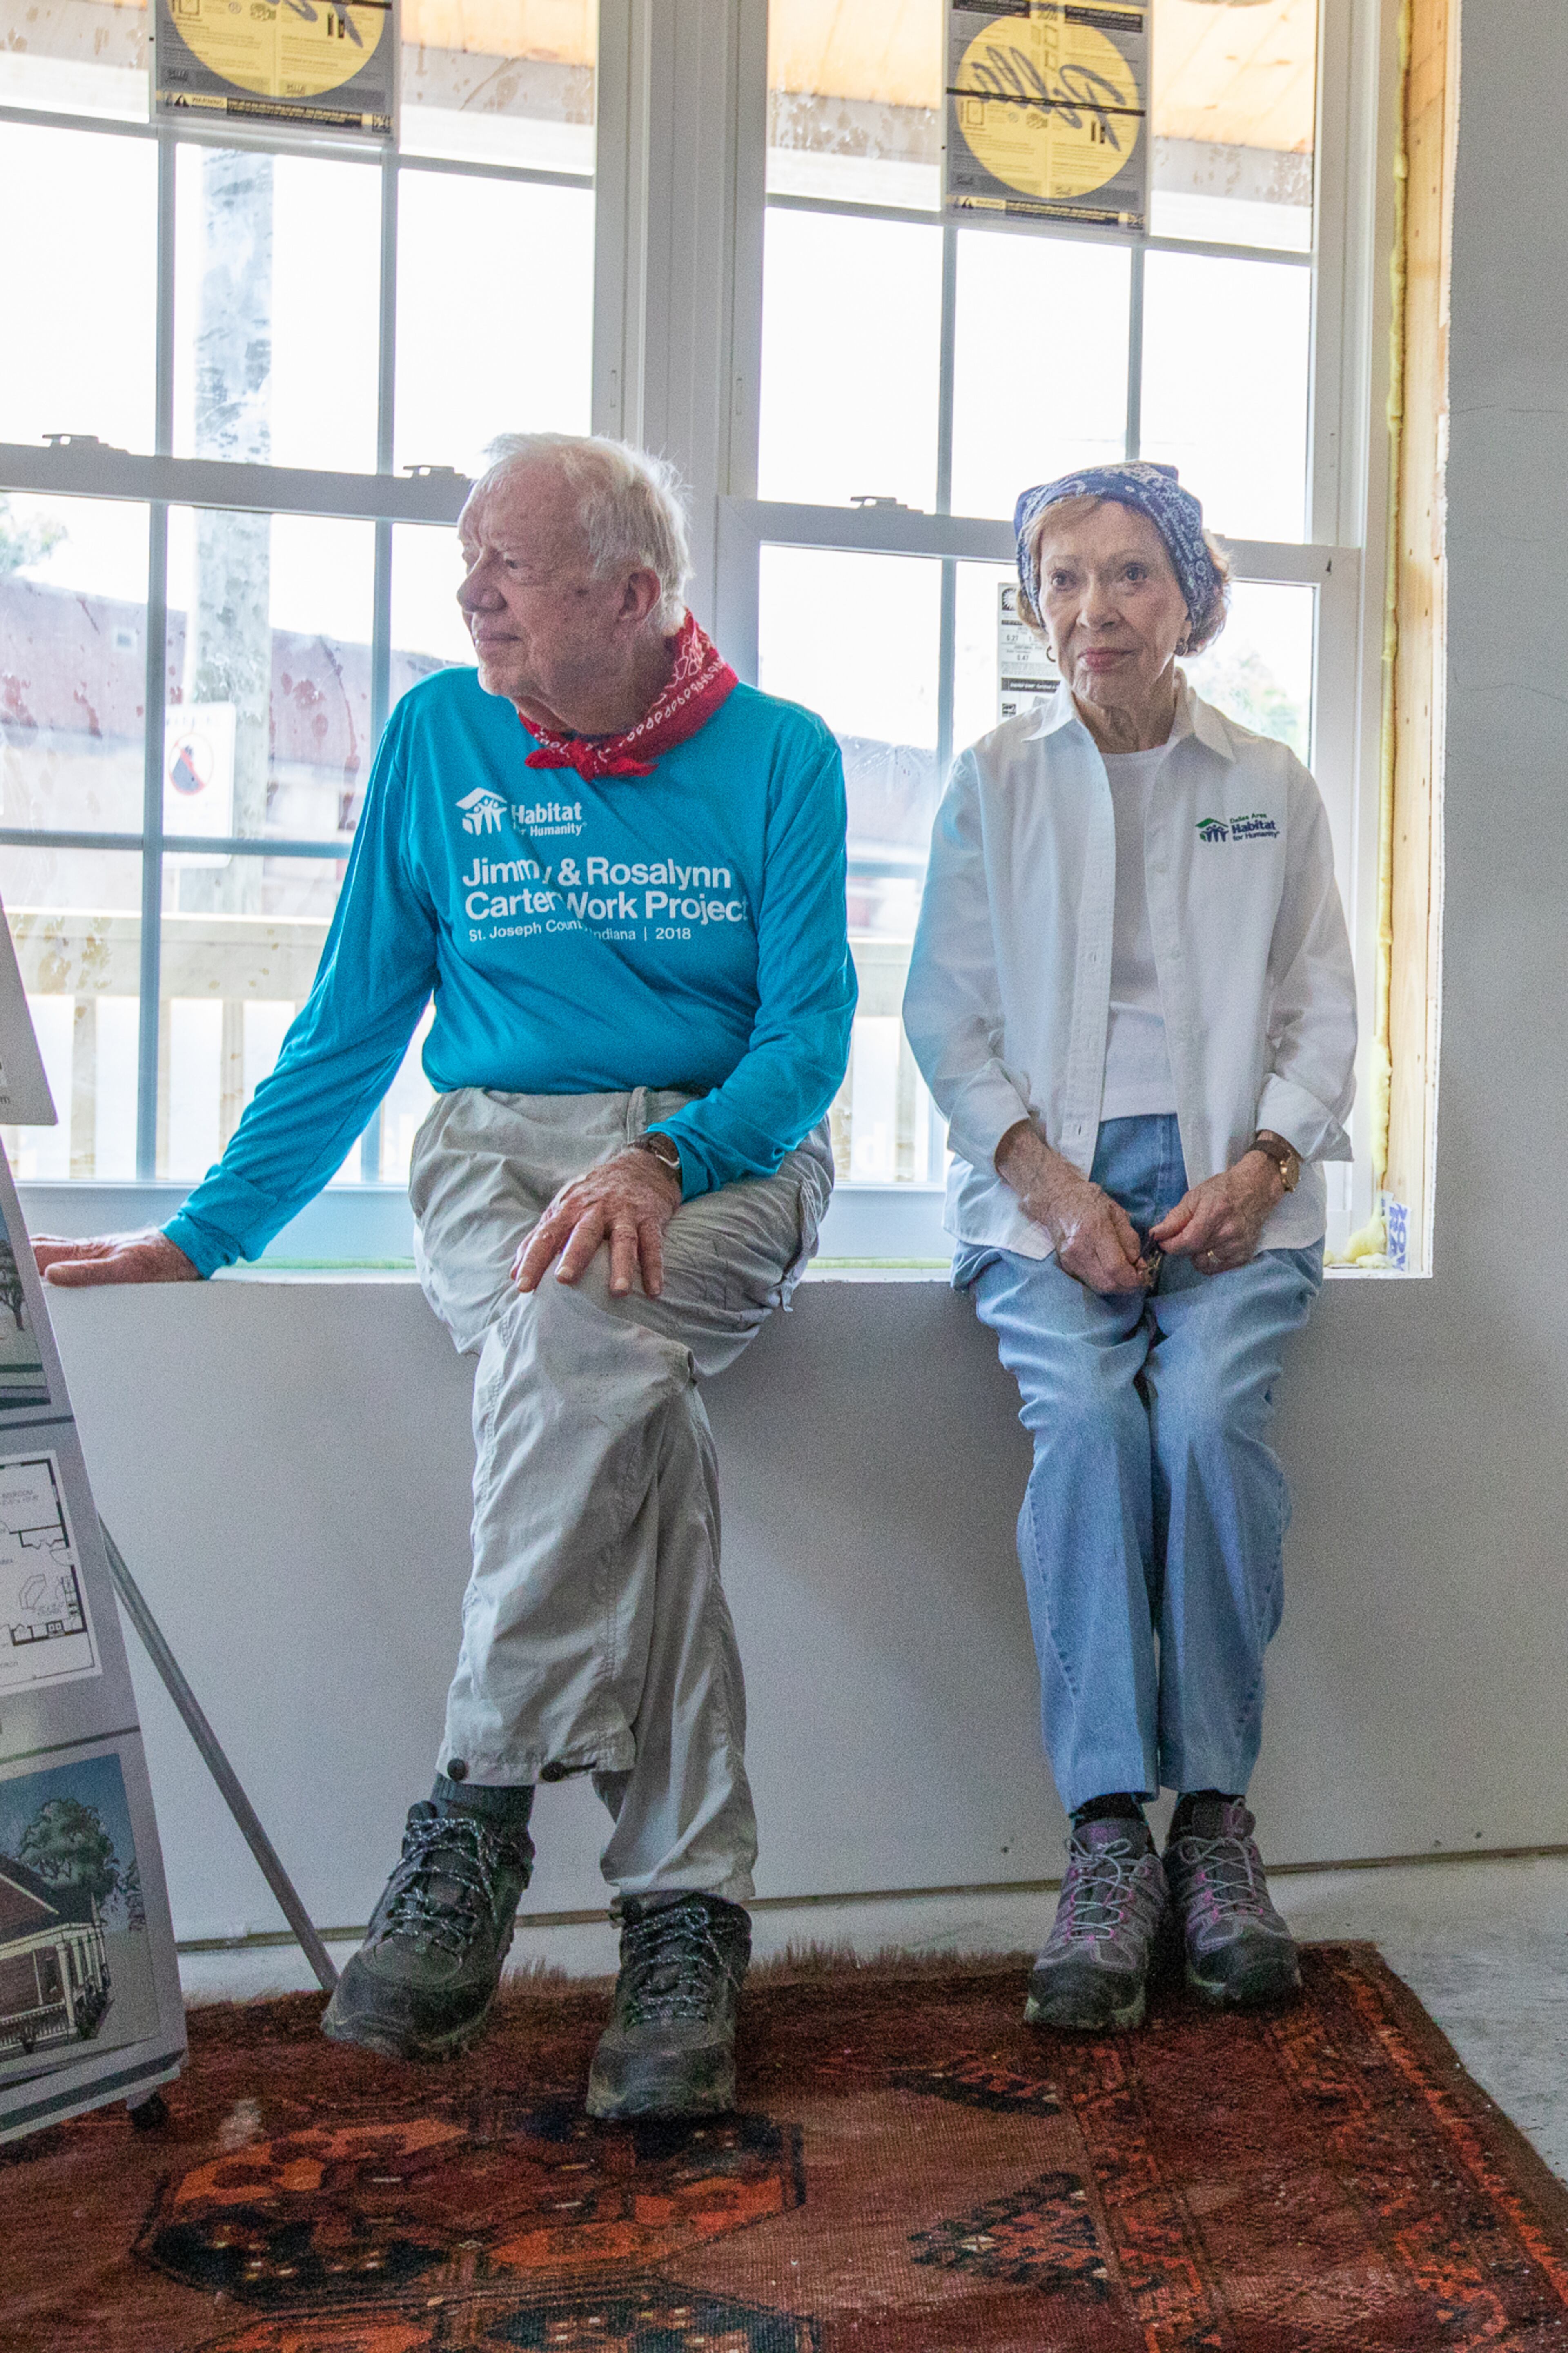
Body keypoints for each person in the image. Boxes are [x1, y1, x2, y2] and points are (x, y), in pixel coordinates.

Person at [36, 432, 857, 2116]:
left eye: (509, 562)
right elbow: (356, 1016)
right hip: (497, 1151)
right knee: (628, 1409)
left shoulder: (783, 755)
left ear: (632, 592)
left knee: (585, 1333)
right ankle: (684, 1919)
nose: (468, 590)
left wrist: (672, 1155)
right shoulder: (438, 736)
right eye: (468, 557)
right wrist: (207, 1230)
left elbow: (809, 1038)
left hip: (724, 1153)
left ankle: (478, 1799)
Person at [903, 461, 1356, 2033]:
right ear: (1037, 609)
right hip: (1051, 1192)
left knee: (1213, 1426)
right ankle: (1109, 1836)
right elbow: (943, 1021)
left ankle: (1215, 1826)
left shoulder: (1269, 781)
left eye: (1128, 578)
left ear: (1189, 597)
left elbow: (1321, 1010)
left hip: (1234, 1185)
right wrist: (1049, 1187)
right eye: (1064, 581)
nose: (1094, 609)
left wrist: (1259, 1166)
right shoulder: (995, 779)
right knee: (1092, 1427)